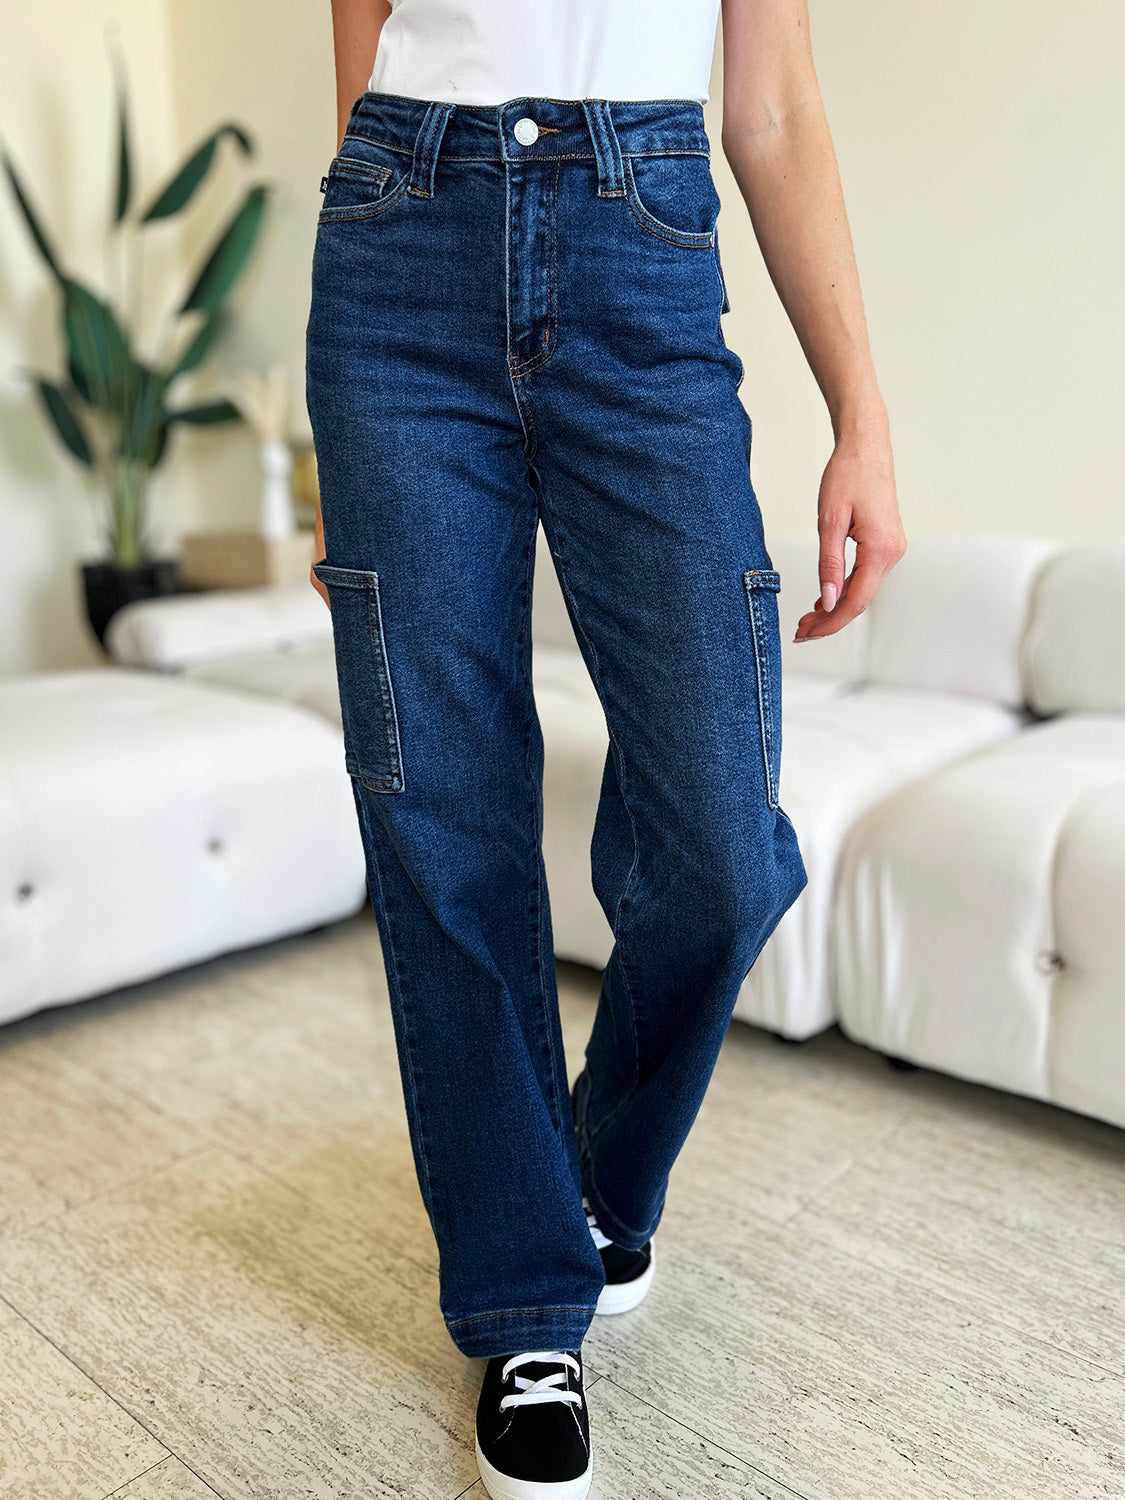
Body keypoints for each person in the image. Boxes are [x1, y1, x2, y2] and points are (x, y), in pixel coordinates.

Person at [305, 1, 906, 1494]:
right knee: (439, 806)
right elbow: (366, 48)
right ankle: (524, 1304)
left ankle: (598, 1173)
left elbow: (768, 112)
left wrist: (861, 418)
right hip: (395, 244)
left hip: (640, 234)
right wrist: (349, 446)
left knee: (715, 835)